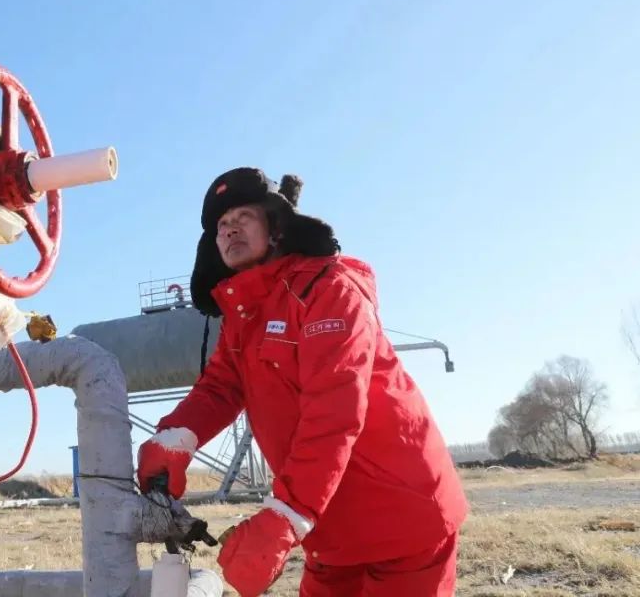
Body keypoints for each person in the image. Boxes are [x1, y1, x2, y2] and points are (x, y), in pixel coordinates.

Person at [136, 168, 468, 596]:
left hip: (403, 520)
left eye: (243, 217)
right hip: (329, 531)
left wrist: (284, 516)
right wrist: (174, 437)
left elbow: (334, 411)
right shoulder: (243, 318)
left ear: (276, 228)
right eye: (221, 225)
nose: (230, 228)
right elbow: (220, 386)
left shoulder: (329, 289)